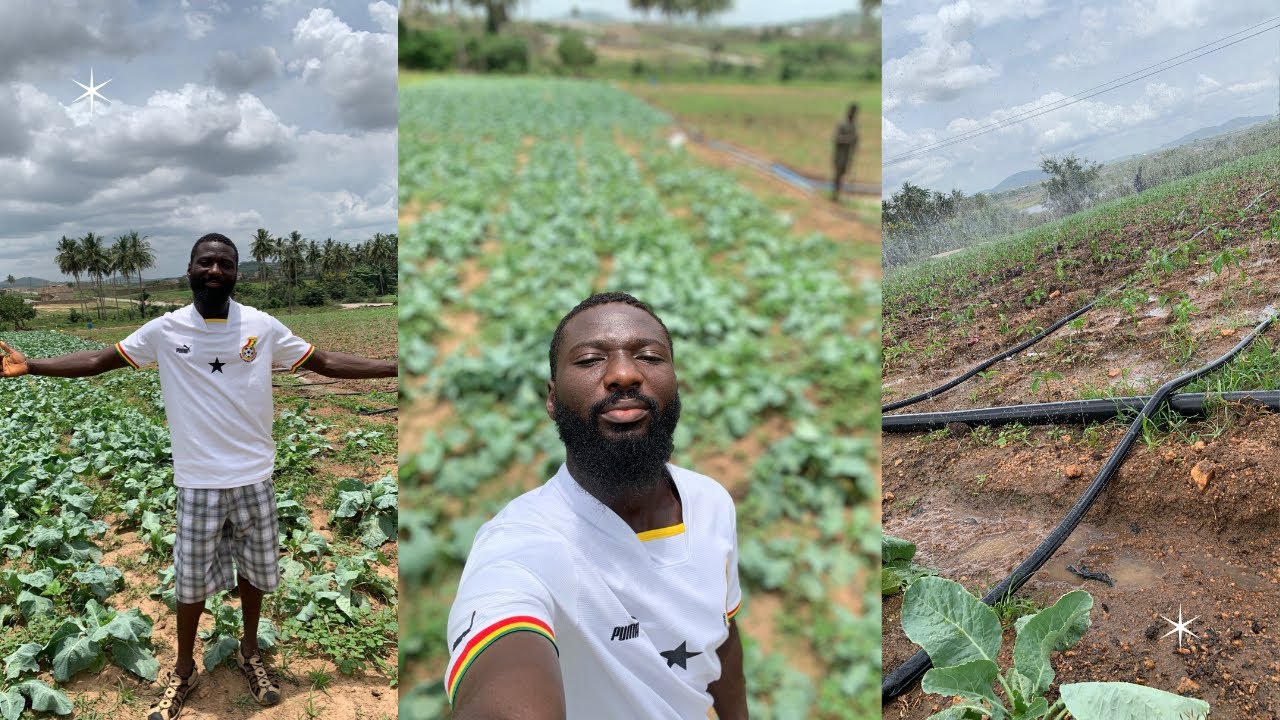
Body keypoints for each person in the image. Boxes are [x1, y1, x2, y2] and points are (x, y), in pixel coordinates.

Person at [0, 233, 397, 720]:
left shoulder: (262, 326)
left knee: (255, 575)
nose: (215, 270)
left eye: (225, 264)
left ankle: (251, 653)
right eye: (206, 262)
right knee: (190, 586)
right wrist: (33, 365)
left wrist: (396, 366)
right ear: (189, 269)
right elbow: (99, 361)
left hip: (255, 477)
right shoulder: (164, 331)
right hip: (198, 482)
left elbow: (327, 362)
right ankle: (183, 668)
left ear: (236, 273)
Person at [444, 292, 747, 720]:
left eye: (649, 356)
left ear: (677, 383)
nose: (624, 373)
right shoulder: (522, 545)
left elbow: (723, 640)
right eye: (589, 360)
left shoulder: (712, 501)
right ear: (551, 398)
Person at [833, 103, 859, 202]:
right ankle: (835, 194)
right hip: (840, 154)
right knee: (838, 174)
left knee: (843, 173)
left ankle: (838, 193)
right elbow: (836, 138)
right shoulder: (842, 124)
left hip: (847, 155)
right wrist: (849, 140)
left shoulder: (854, 126)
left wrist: (855, 141)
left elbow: (855, 140)